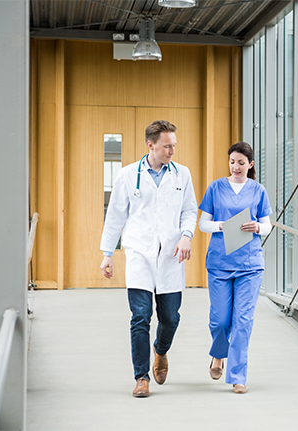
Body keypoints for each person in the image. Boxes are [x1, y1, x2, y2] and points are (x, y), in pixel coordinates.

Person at [99, 120, 197, 398]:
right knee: (140, 317)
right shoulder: (129, 175)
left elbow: (190, 210)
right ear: (150, 145)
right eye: (167, 146)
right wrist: (108, 254)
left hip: (171, 256)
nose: (172, 151)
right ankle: (141, 377)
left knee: (171, 318)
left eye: (174, 146)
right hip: (139, 254)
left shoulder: (182, 174)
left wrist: (186, 235)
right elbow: (115, 215)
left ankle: (161, 351)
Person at [198, 141, 272, 394]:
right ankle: (218, 354)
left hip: (250, 265)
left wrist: (257, 228)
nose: (236, 166)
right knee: (219, 320)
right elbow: (203, 224)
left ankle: (238, 376)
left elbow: (268, 225)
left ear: (250, 164)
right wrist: (222, 226)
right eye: (232, 161)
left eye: (241, 162)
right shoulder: (216, 188)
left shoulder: (258, 190)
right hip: (219, 263)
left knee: (242, 321)